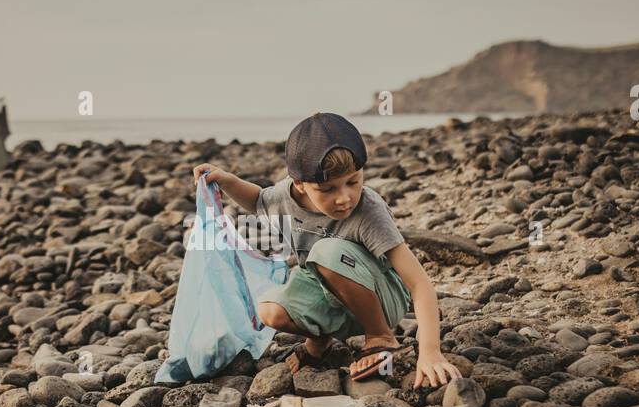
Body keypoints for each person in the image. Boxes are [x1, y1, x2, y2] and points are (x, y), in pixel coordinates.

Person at [192, 111, 463, 387]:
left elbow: (419, 284)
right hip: (331, 297)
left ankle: (381, 337)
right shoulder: (287, 198)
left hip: (383, 298)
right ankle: (320, 341)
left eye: (353, 182)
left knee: (326, 252)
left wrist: (430, 352)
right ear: (300, 184)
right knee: (269, 310)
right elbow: (259, 200)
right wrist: (227, 181)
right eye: (328, 189)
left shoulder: (369, 212)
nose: (344, 198)